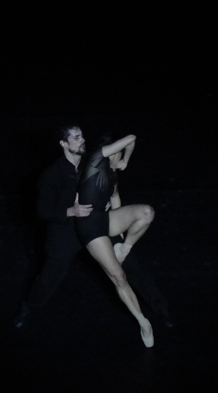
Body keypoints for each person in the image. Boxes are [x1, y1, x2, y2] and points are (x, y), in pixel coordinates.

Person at [14, 125, 171, 345]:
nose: (82, 139)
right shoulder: (52, 173)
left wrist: (110, 208)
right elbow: (41, 210)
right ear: (64, 144)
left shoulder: (93, 160)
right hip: (66, 233)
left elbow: (111, 190)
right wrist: (70, 211)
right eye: (76, 137)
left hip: (97, 226)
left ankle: (160, 308)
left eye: (82, 136)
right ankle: (27, 310)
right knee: (48, 279)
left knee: (131, 266)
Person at [75, 133, 155, 347]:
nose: (118, 156)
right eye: (117, 152)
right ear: (111, 152)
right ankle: (143, 322)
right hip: (89, 227)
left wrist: (120, 239)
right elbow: (132, 138)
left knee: (147, 212)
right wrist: (126, 160)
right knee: (119, 277)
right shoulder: (96, 160)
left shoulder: (112, 174)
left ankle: (125, 249)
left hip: (106, 219)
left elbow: (115, 198)